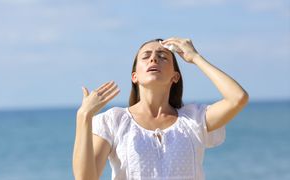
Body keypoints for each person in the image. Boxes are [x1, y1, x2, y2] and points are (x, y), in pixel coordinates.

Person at [73, 37, 249, 180]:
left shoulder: (193, 119)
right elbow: (86, 178)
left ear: (175, 77)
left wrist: (195, 58)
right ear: (134, 76)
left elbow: (238, 98)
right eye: (146, 56)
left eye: (163, 56)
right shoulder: (113, 121)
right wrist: (84, 116)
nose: (154, 58)